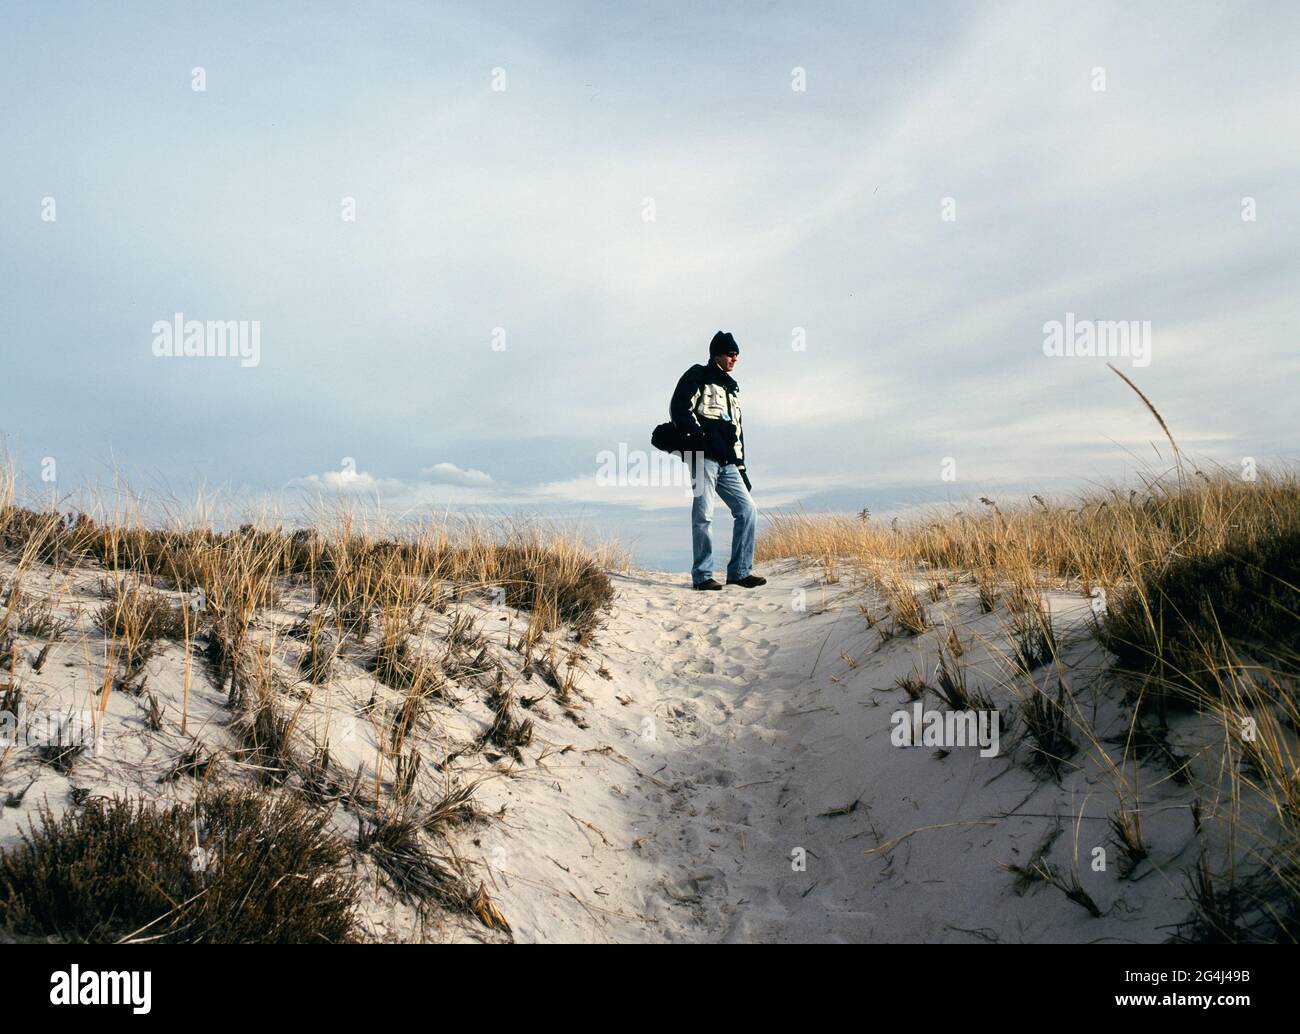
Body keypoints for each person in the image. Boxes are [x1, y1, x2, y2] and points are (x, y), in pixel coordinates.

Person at [670, 331, 767, 590]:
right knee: (704, 515)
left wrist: (742, 468)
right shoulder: (698, 375)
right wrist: (698, 437)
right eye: (730, 354)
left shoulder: (732, 388)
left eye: (737, 355)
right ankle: (702, 576)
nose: (735, 359)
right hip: (704, 459)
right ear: (717, 354)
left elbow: (737, 431)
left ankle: (739, 572)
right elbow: (679, 407)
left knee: (748, 511)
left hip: (729, 463)